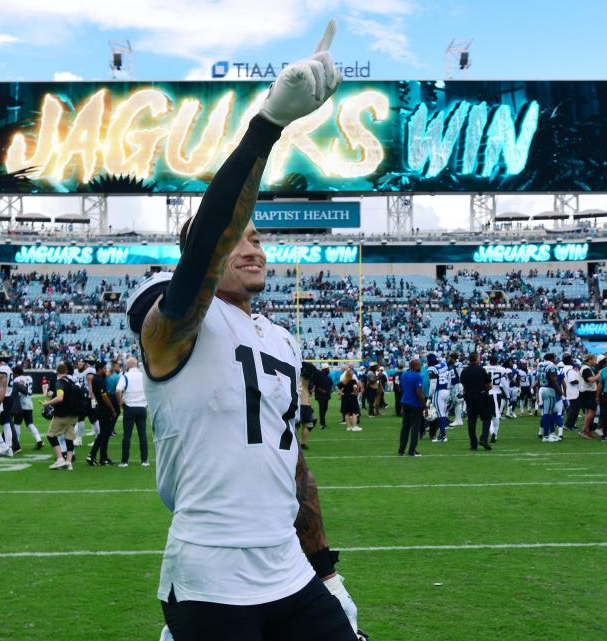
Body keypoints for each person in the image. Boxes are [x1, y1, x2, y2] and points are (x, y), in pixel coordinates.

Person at [124, 24, 360, 641]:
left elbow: (291, 459)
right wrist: (267, 126)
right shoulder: (173, 315)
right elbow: (205, 249)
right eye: (241, 239)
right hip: (211, 568)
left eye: (259, 238)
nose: (254, 247)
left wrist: (322, 563)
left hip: (286, 566)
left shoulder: (280, 338)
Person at [41, 363, 82, 470]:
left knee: (50, 435)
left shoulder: (60, 382)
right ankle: (68, 462)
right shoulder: (73, 380)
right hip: (75, 414)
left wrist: (47, 403)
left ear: (57, 372)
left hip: (63, 414)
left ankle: (60, 459)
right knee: (69, 438)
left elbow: (60, 398)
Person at [116, 356, 149, 467]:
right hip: (142, 407)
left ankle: (125, 461)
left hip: (130, 407)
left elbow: (118, 390)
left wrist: (120, 402)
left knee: (127, 436)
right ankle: (144, 460)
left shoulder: (125, 376)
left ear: (128, 365)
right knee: (142, 435)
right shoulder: (143, 376)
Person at [87, 360, 119, 466]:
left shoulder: (98, 378)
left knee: (104, 434)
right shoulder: (99, 380)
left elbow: (109, 373)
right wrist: (112, 409)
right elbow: (104, 396)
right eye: (104, 368)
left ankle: (102, 457)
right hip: (104, 409)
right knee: (104, 434)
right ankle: (93, 455)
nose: (106, 370)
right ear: (99, 369)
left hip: (101, 408)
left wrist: (113, 367)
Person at [460, 352, 492, 450]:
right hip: (481, 396)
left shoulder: (465, 371)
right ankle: (484, 439)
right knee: (486, 418)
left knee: (471, 421)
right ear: (477, 359)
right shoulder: (481, 370)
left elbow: (463, 383)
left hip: (469, 397)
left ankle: (473, 444)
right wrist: (485, 391)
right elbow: (489, 385)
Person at [10, 365, 43, 452]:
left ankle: (16, 443)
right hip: (29, 403)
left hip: (21, 404)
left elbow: (19, 392)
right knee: (30, 423)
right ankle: (39, 440)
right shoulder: (29, 378)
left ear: (16, 373)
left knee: (17, 424)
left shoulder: (17, 379)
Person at [398, 358, 425, 456]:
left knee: (405, 427)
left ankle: (401, 450)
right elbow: (419, 392)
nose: (420, 366)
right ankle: (412, 450)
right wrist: (424, 405)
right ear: (415, 366)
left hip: (405, 402)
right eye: (419, 365)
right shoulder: (418, 377)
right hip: (415, 404)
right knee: (415, 428)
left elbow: (400, 389)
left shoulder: (404, 375)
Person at [537, 353, 561, 442]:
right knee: (547, 413)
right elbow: (553, 380)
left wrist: (537, 393)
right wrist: (559, 391)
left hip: (542, 388)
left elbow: (538, 379)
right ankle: (546, 436)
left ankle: (552, 433)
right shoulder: (552, 366)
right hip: (549, 389)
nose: (555, 359)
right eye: (554, 357)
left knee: (554, 411)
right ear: (552, 358)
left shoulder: (540, 365)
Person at [578, 354, 600, 439]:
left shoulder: (586, 368)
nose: (595, 361)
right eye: (594, 359)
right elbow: (590, 379)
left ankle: (586, 430)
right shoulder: (586, 368)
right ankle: (584, 430)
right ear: (590, 360)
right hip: (588, 392)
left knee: (588, 412)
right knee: (592, 412)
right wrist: (599, 374)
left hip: (586, 392)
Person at [297, 362, 318, 449]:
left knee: (296, 425)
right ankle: (303, 443)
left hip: (297, 403)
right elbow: (311, 391)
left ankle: (294, 443)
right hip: (306, 403)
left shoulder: (296, 376)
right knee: (307, 424)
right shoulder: (308, 379)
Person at [313, 365, 332, 429]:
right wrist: (321, 390)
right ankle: (322, 424)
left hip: (326, 394)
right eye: (328, 368)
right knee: (322, 408)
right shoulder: (319, 375)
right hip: (320, 395)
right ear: (325, 369)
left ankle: (322, 421)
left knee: (325, 408)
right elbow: (316, 384)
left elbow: (330, 383)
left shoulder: (327, 376)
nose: (329, 369)